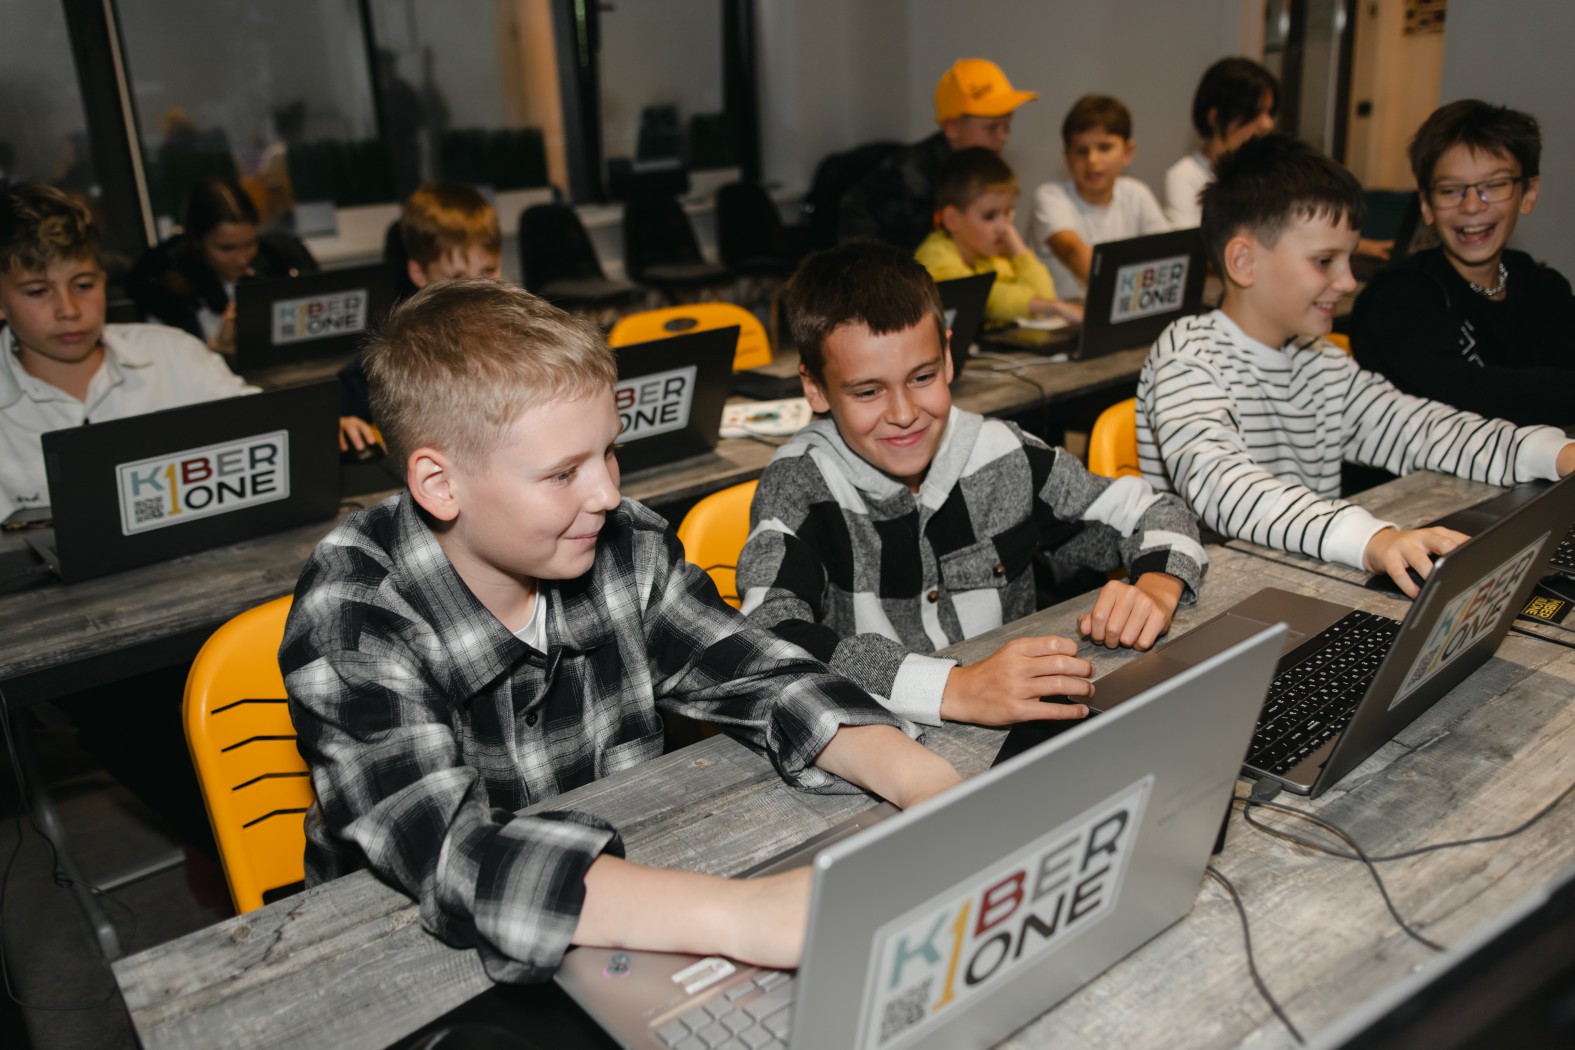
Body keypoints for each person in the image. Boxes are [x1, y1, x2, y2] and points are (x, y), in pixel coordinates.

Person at [281, 278, 962, 983]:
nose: (607, 493)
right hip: (401, 969)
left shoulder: (622, 546)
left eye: (608, 451)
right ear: (439, 484)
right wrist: (746, 916)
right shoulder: (353, 617)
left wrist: (929, 785)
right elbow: (453, 854)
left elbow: (761, 674)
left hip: (632, 908)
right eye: (561, 474)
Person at [735, 242, 1206, 729]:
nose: (904, 413)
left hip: (1020, 729)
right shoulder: (799, 486)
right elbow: (768, 637)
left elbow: (1155, 511)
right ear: (814, 387)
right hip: (882, 740)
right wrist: (951, 688)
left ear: (948, 356)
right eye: (868, 391)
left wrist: (1157, 588)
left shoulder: (1002, 454)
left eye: (922, 376)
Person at [1136, 134, 1575, 599]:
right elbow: (1226, 492)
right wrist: (1372, 539)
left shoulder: (1321, 360)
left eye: (1348, 258)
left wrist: (1550, 453)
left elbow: (1419, 428)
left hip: (1306, 584)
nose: (1347, 281)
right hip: (1214, 599)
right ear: (1244, 261)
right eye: (1325, 260)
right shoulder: (1187, 358)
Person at [1, 180, 256, 512]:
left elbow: (270, 431)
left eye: (83, 285)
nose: (69, 311)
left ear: (103, 282)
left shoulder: (176, 354)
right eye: (37, 292)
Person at [1347, 100, 1575, 427]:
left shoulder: (1544, 288)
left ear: (1528, 193)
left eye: (1494, 185)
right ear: (1427, 205)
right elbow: (1463, 395)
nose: (1471, 206)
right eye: (1450, 190)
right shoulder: (1400, 297)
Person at [337, 182, 503, 452]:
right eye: (457, 278)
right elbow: (337, 404)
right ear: (419, 274)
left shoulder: (517, 333)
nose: (478, 289)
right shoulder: (399, 350)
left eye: (488, 271)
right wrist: (342, 422)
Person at [838, 58, 1037, 252]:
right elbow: (856, 224)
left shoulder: (979, 171)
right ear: (952, 128)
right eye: (991, 128)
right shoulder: (910, 177)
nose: (1003, 137)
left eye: (1006, 126)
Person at [127, 177, 317, 355]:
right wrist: (213, 351)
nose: (242, 260)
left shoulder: (278, 261)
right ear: (197, 242)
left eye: (250, 244)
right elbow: (164, 365)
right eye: (227, 248)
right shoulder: (161, 289)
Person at [914, 147, 1081, 325]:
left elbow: (1044, 297)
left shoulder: (991, 257)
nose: (1004, 227)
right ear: (952, 219)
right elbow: (982, 297)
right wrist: (1053, 307)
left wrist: (1017, 247)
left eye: (1008, 212)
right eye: (990, 216)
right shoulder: (934, 257)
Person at [1030, 94, 1171, 294]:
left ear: (1128, 152)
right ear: (1067, 157)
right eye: (1081, 151)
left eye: (1104, 148)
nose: (1092, 160)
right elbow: (1072, 252)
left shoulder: (1137, 193)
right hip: (1063, 312)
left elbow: (1167, 257)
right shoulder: (1050, 197)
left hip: (1123, 303)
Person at [1164, 57, 1278, 228]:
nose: (1267, 124)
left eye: (1269, 112)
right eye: (1255, 113)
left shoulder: (1266, 176)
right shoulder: (1186, 176)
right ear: (1215, 118)